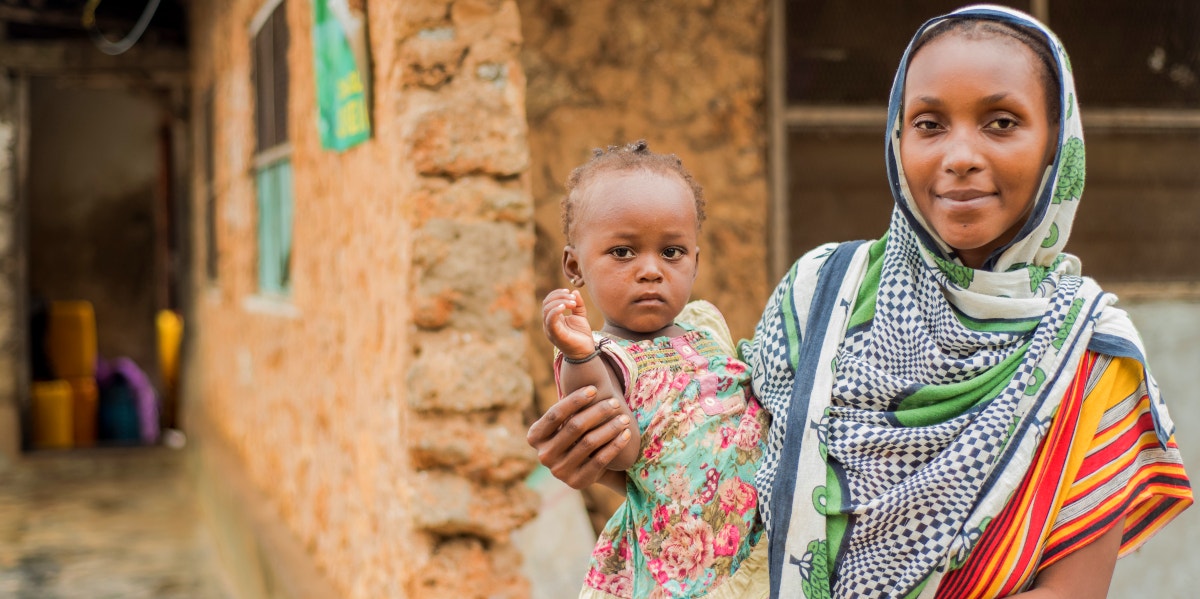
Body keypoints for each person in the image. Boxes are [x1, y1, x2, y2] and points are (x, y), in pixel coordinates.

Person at [528, 5, 1192, 598]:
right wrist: (610, 456)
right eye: (929, 123)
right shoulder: (824, 292)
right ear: (897, 140)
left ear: (1057, 143)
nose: (960, 155)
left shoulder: (1091, 353)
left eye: (1001, 122)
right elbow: (739, 484)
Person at [537, 140, 769, 598]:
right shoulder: (600, 356)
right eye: (623, 252)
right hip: (677, 567)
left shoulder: (706, 332)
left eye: (671, 252)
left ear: (696, 262)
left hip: (755, 549)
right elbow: (619, 453)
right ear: (574, 265)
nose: (650, 270)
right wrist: (579, 353)